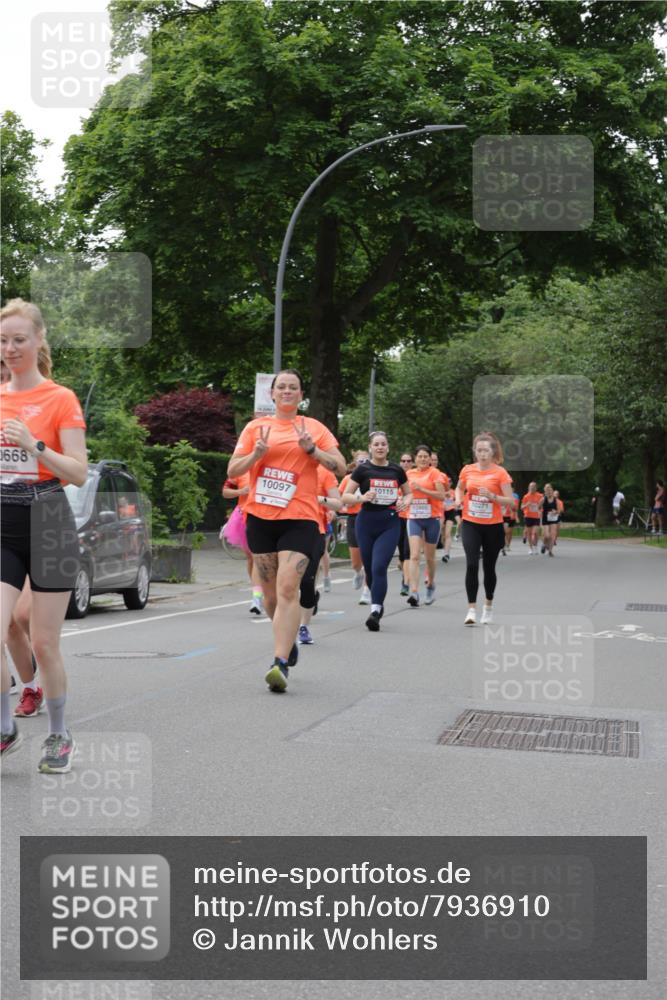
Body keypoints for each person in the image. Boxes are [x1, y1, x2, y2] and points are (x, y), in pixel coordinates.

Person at [1, 298, 88, 769]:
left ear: (38, 341)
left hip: (49, 520)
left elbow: (77, 472)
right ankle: (4, 727)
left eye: (19, 340)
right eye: (3, 341)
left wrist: (34, 445)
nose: (10, 349)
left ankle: (59, 735)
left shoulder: (60, 398)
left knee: (44, 642)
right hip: (3, 523)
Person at [227, 370, 345, 692]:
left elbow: (340, 466)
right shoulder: (256, 428)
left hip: (301, 519)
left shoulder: (314, 428)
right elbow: (232, 470)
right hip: (262, 519)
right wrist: (256, 455)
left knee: (288, 588)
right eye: (282, 387)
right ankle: (287, 640)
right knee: (269, 597)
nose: (287, 391)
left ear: (300, 394)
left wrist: (313, 452)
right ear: (273, 394)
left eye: (293, 387)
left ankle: (279, 664)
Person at [341, 431, 411, 631]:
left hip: (389, 522)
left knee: (380, 566)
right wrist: (361, 498)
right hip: (366, 522)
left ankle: (375, 610)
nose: (380, 447)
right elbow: (345, 496)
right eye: (376, 444)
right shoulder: (362, 470)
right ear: (371, 447)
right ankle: (377, 601)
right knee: (370, 569)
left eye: (383, 444)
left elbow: (409, 494)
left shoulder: (396, 470)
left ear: (388, 448)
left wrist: (404, 502)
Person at [455, 431, 514, 626]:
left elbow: (511, 502)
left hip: (493, 526)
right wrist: (457, 500)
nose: (482, 454)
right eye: (479, 450)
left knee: (489, 568)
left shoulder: (500, 473)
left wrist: (493, 496)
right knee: (472, 564)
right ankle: (471, 609)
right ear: (475, 452)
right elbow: (459, 488)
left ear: (492, 452)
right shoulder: (467, 470)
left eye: (486, 450)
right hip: (471, 523)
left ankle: (488, 606)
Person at [298, 466, 342, 645]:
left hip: (316, 529)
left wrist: (323, 501)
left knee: (307, 581)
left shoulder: (325, 473)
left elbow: (337, 503)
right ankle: (288, 626)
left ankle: (304, 627)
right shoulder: (287, 465)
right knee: (288, 583)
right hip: (288, 528)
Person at [405, 445, 445, 606]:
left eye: (425, 457)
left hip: (432, 518)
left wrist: (421, 489)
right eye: (420, 456)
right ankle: (414, 592)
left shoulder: (435, 473)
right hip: (414, 517)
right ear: (415, 458)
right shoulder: (408, 474)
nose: (422, 459)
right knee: (414, 555)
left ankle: (431, 584)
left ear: (430, 459)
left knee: (429, 557)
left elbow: (442, 496)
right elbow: (403, 493)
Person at [222, 471, 265, 615]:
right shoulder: (241, 471)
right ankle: (257, 591)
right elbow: (225, 492)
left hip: (263, 517)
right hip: (242, 517)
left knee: (258, 557)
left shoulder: (269, 467)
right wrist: (242, 491)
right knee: (251, 558)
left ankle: (257, 597)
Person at [338, 451, 368, 595]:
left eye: (365, 461)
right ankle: (358, 572)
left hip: (370, 518)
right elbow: (339, 500)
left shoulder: (373, 478)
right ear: (355, 463)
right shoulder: (347, 480)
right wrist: (347, 503)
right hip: (353, 519)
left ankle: (367, 591)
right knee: (356, 562)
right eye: (360, 461)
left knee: (369, 557)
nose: (363, 464)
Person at [397, 452, 413, 596]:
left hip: (412, 517)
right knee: (401, 552)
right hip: (396, 518)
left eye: (409, 461)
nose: (406, 463)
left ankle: (405, 581)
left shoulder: (414, 476)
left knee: (407, 551)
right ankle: (404, 573)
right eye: (403, 460)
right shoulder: (395, 475)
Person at [520, 481, 543, 555]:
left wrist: (541, 511)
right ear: (529, 488)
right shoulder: (526, 496)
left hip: (536, 516)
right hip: (528, 516)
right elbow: (521, 507)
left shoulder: (540, 496)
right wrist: (527, 504)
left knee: (535, 533)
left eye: (533, 487)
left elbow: (543, 506)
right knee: (529, 533)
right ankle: (530, 548)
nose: (532, 488)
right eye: (531, 487)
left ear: (536, 488)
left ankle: (535, 546)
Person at [539, 483, 559, 557]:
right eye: (547, 491)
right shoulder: (543, 499)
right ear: (545, 491)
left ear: (552, 491)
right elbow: (538, 507)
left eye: (550, 490)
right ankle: (544, 544)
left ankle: (550, 551)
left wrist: (555, 512)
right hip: (545, 518)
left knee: (552, 535)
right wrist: (540, 513)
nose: (549, 492)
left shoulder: (555, 500)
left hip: (553, 519)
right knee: (547, 536)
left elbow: (559, 510)